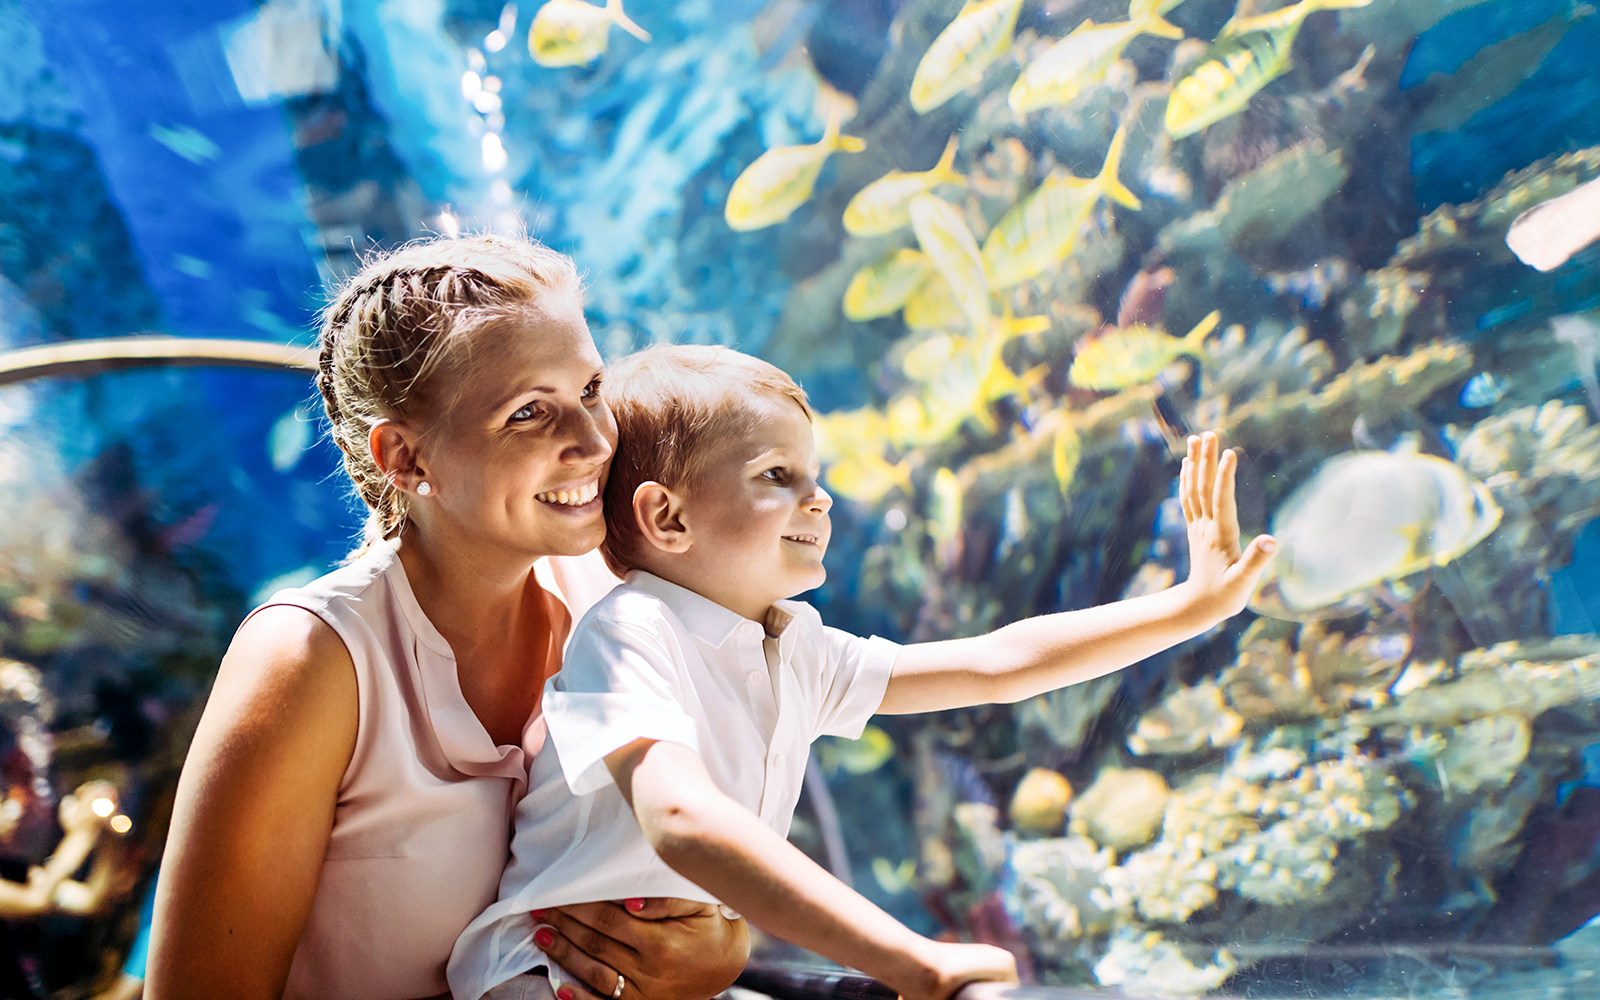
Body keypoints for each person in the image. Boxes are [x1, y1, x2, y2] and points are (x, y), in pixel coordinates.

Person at [448, 345, 1278, 1000]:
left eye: (817, 477)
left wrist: (1189, 608)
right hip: (540, 980)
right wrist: (910, 959)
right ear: (667, 515)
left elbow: (996, 667)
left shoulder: (794, 647)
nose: (822, 500)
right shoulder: (631, 630)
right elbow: (680, 817)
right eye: (778, 476)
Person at [146, 237, 749, 1000]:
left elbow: (712, 848)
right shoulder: (311, 660)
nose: (595, 442)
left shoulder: (628, 596)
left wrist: (722, 948)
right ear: (405, 457)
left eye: (591, 388)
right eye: (529, 413)